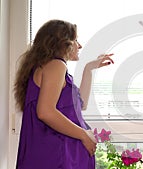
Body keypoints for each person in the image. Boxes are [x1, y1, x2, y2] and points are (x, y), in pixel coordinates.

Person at [14, 19, 114, 169]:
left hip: (58, 154)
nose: (79, 45)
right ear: (63, 43)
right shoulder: (56, 65)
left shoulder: (49, 67)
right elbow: (45, 112)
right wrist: (83, 135)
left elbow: (82, 105)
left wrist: (89, 69)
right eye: (75, 40)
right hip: (56, 156)